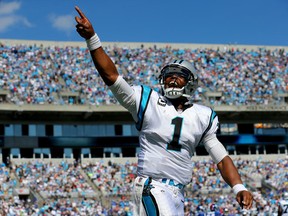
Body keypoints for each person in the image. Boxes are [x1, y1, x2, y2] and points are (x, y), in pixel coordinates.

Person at [74, 6, 254, 215]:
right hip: (152, 186)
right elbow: (112, 78)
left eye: (179, 76)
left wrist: (239, 186)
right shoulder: (147, 100)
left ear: (191, 83)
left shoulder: (203, 116)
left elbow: (221, 159)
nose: (172, 78)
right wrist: (92, 39)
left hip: (177, 192)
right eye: (169, 75)